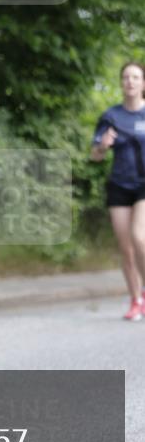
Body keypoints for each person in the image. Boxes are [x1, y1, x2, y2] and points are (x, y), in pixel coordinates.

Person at [90, 61, 145, 321]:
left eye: (135, 77)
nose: (130, 81)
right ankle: (136, 300)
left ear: (143, 83)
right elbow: (95, 155)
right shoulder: (111, 116)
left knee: (139, 237)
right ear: (121, 83)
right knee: (126, 248)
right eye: (126, 77)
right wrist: (102, 145)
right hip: (120, 185)